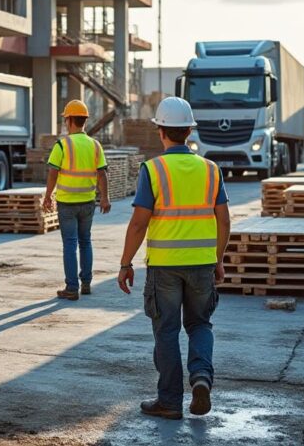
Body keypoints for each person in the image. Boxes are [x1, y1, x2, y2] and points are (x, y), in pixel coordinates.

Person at [117, 97, 231, 420]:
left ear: (161, 131)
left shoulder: (153, 170)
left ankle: (169, 400)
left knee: (166, 331)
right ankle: (200, 380)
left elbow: (139, 222)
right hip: (201, 265)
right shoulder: (211, 170)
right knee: (200, 325)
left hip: (164, 267)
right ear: (189, 131)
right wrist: (218, 260)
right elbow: (224, 220)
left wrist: (125, 263)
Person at [42, 100, 111, 300]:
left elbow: (53, 172)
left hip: (67, 203)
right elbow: (102, 174)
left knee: (70, 244)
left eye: (65, 119)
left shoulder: (62, 145)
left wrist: (48, 196)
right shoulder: (95, 145)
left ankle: (72, 288)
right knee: (85, 242)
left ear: (69, 120)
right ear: (84, 121)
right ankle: (86, 283)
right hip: (88, 202)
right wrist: (104, 198)